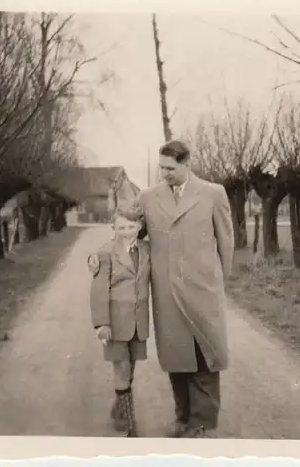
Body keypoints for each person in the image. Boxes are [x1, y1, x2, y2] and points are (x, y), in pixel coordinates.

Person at [88, 139, 234, 438]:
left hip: (204, 290)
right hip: (166, 292)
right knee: (177, 358)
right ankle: (182, 419)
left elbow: (226, 242)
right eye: (161, 168)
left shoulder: (213, 193)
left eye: (170, 168)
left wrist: (219, 280)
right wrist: (101, 256)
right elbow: (126, 230)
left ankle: (201, 423)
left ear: (186, 164)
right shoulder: (148, 197)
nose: (165, 173)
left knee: (206, 356)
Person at [88, 202, 151, 438]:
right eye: (121, 227)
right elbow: (98, 290)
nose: (126, 232)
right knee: (122, 370)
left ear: (140, 226)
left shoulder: (147, 250)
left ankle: (118, 409)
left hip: (138, 323)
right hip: (114, 324)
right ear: (113, 228)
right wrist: (101, 324)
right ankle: (129, 425)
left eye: (131, 227)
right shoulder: (105, 253)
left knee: (130, 370)